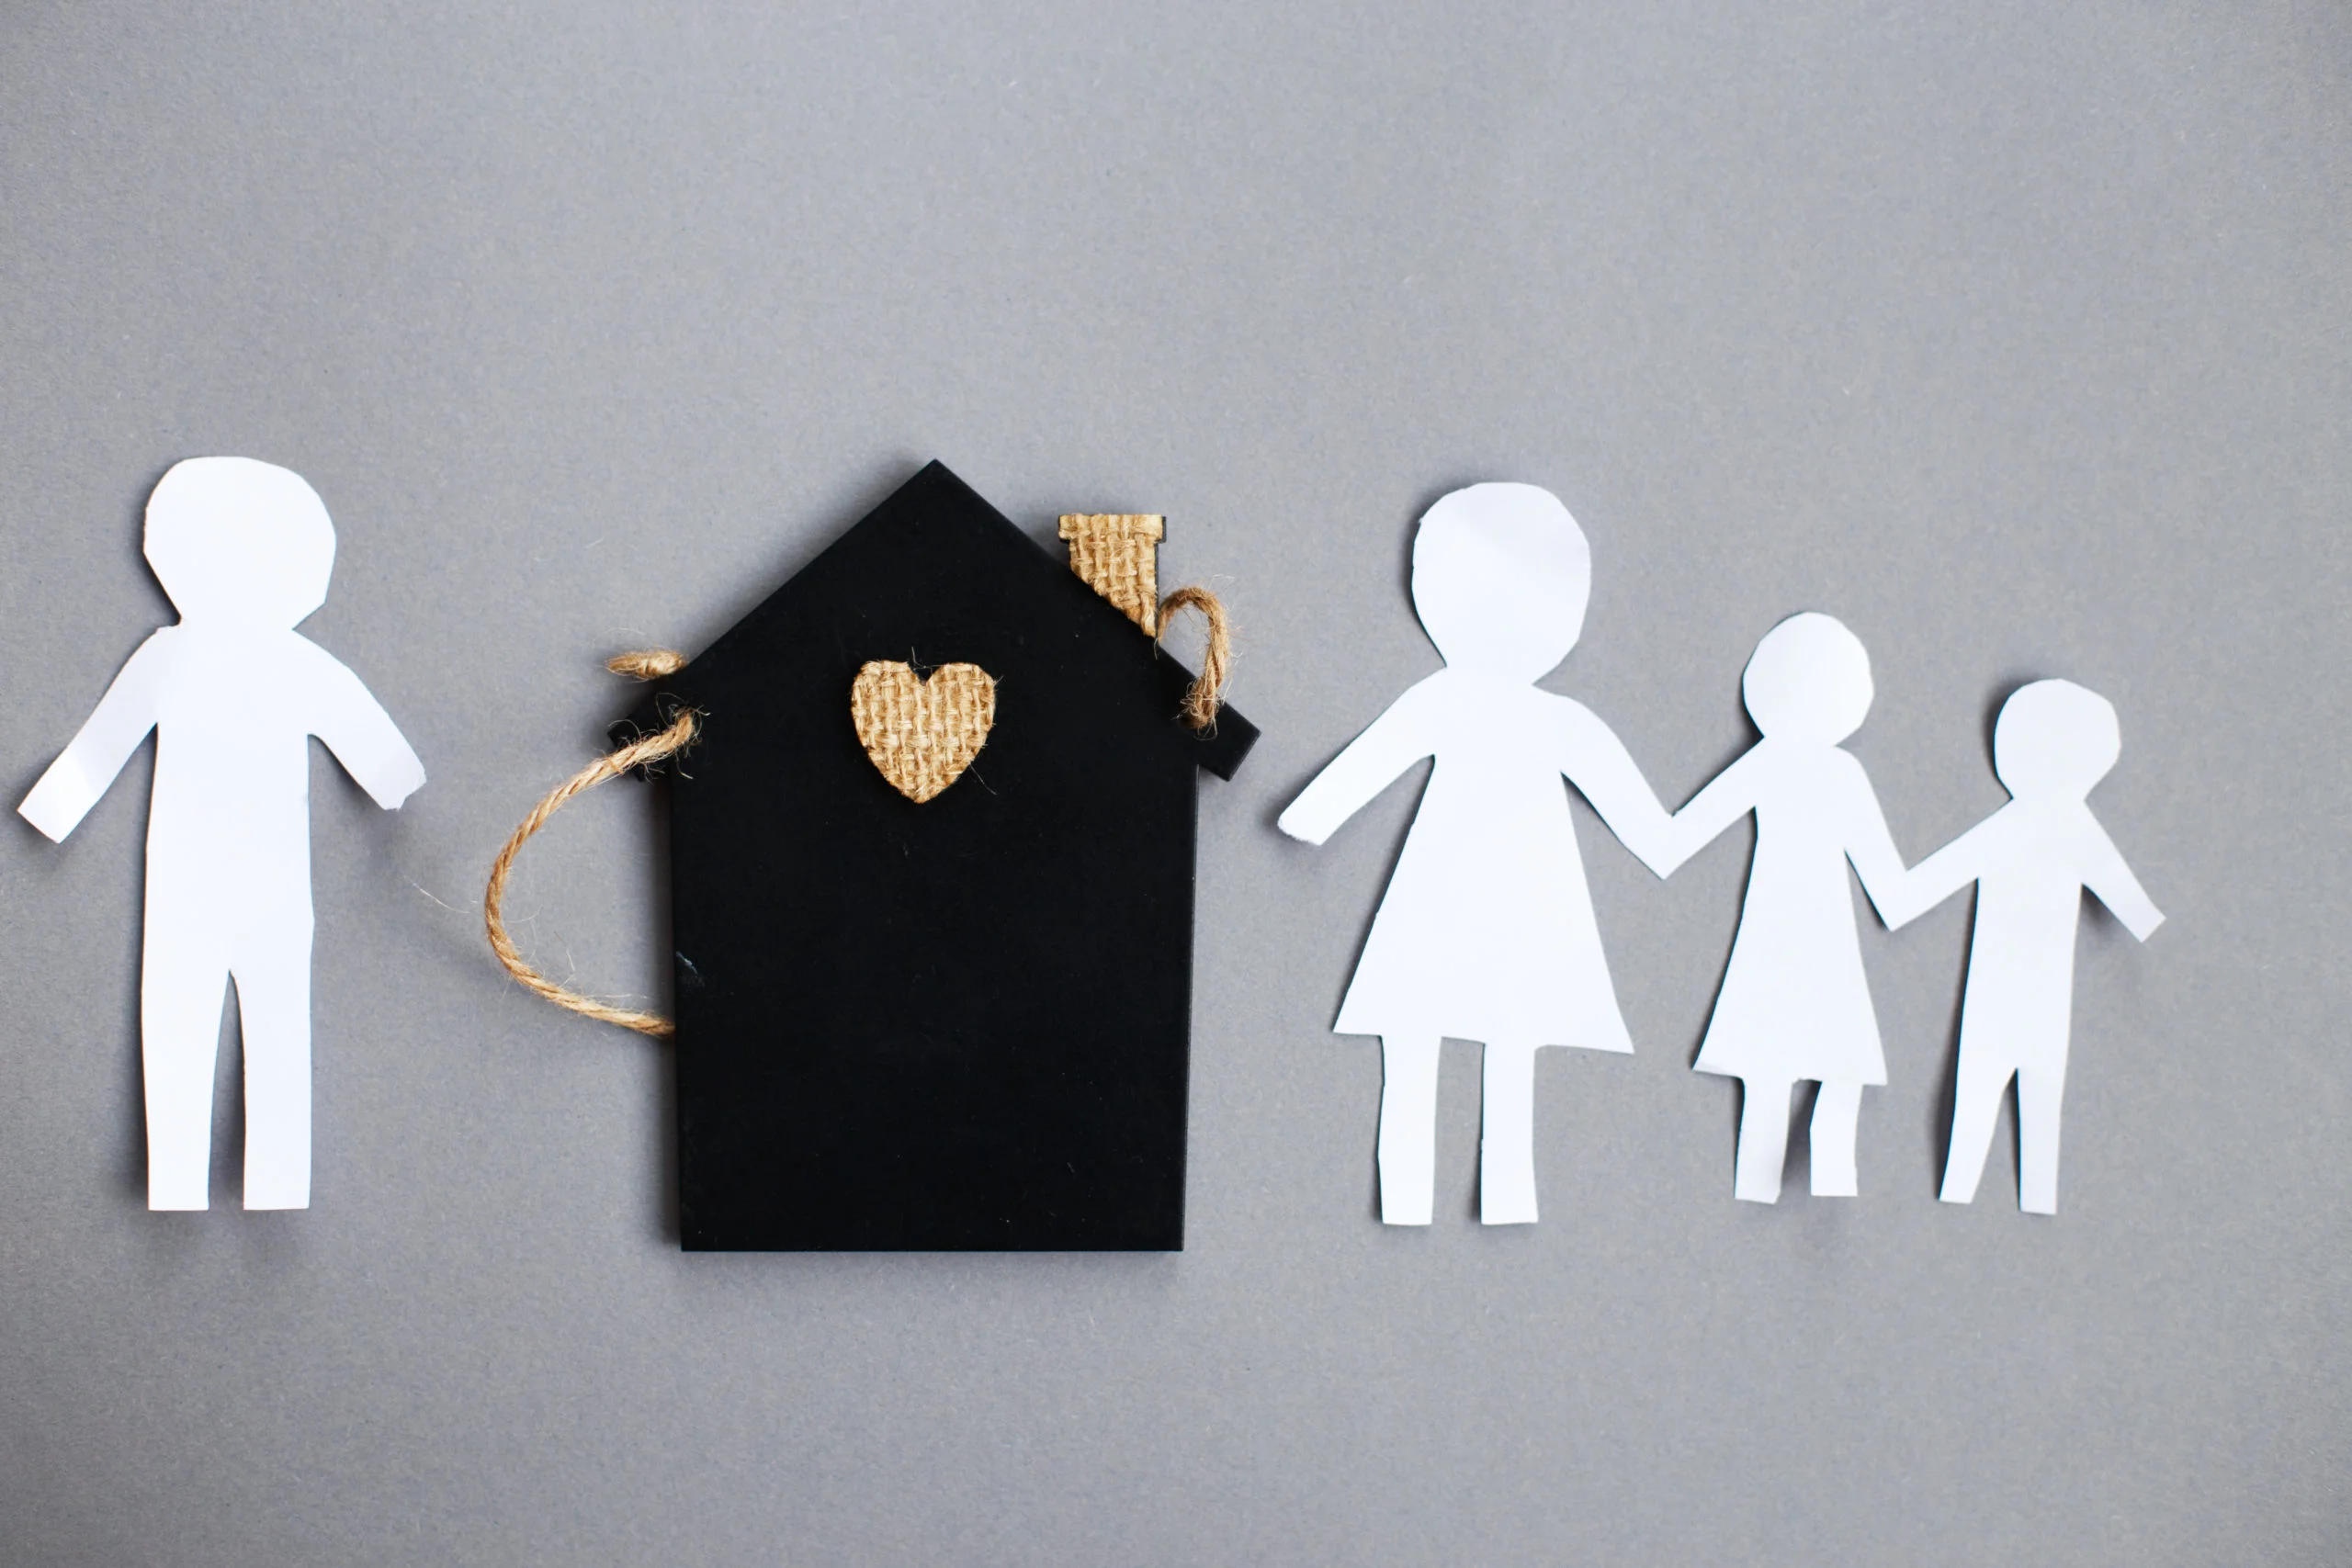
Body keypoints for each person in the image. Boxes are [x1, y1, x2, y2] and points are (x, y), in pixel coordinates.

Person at [19, 457, 426, 1211]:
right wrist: (53, 806)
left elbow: (388, 766)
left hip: (207, 886)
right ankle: (214, 1178)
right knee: (237, 1021)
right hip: (225, 886)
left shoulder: (194, 656)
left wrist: (54, 810)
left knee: (211, 1017)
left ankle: (232, 1177)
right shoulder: (278, 662)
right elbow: (390, 769)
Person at [1278, 482, 1674, 1225]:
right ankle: (1497, 1193)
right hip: (1519, 895)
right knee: (1506, 1033)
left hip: (1452, 886)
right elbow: (1651, 829)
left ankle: (1421, 1196)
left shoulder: (1452, 697)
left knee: (1435, 1029)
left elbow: (1362, 770)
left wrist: (1311, 817)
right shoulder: (1553, 716)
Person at [1880, 679, 2163, 1213]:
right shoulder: (2070, 829)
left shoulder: (2022, 826)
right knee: (2032, 1092)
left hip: (2002, 992)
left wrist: (1888, 888)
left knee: (1988, 1085)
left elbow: (1915, 892)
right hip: (2038, 997)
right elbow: (2136, 910)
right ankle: (2022, 1189)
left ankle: (1973, 1184)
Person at [1661, 613, 1908, 1203]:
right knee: (1832, 1049)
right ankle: (1825, 1163)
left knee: (1772, 1055)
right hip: (1816, 932)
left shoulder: (1770, 761)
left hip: (1776, 925)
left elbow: (1674, 839)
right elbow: (1893, 891)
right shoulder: (1838, 770)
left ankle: (1776, 1175)